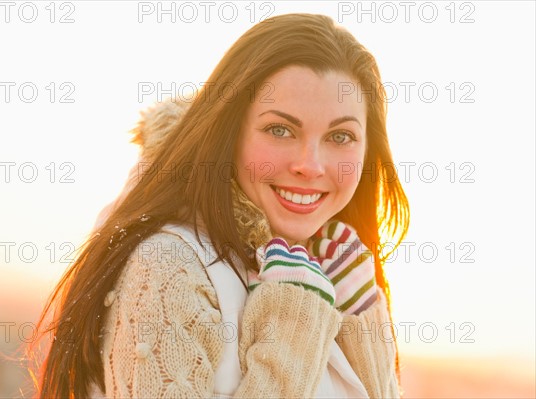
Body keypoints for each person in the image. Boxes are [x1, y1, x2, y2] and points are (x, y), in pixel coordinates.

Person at [30, 13, 409, 398]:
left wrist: (364, 325)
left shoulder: (338, 271)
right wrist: (293, 328)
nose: (310, 165)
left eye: (341, 136)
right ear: (229, 131)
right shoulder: (168, 267)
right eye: (280, 130)